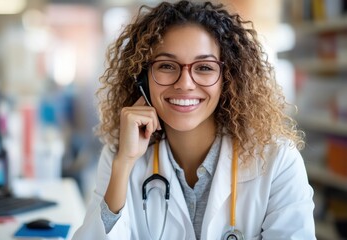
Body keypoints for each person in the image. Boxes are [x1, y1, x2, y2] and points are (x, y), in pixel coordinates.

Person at [72, 1, 315, 239]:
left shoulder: (277, 160)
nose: (185, 84)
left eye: (204, 67)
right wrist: (124, 164)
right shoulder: (120, 156)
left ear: (227, 78)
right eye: (167, 65)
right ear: (143, 78)